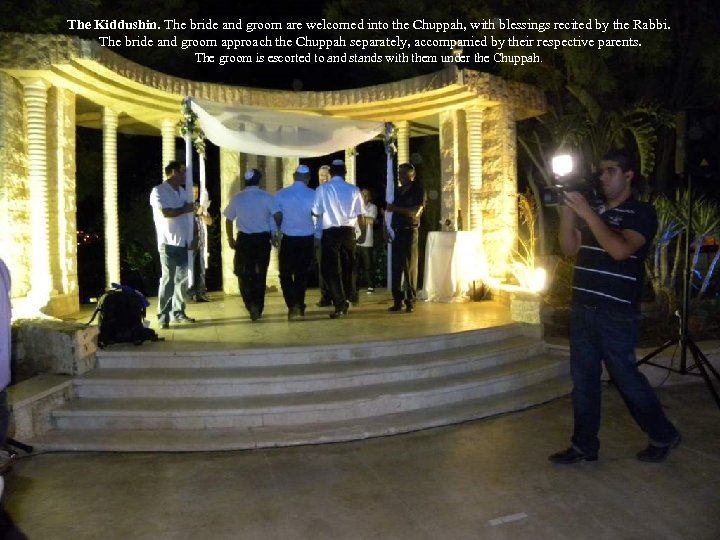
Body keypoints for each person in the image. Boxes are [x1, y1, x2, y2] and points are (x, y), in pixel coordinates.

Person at [549, 149, 681, 465]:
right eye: (601, 172)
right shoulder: (592, 209)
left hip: (616, 313)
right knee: (583, 381)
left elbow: (620, 251)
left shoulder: (641, 213)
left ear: (628, 174)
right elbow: (568, 248)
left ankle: (663, 434)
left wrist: (590, 214)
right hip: (583, 308)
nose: (603, 177)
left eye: (610, 171)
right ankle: (584, 446)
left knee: (626, 379)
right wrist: (570, 207)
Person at [312, 160, 364, 319]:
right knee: (348, 268)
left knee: (331, 271)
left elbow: (316, 211)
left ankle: (340, 305)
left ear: (331, 173)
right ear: (345, 172)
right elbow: (361, 215)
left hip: (330, 233)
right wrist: (362, 234)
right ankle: (347, 297)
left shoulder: (322, 189)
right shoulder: (354, 189)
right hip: (348, 233)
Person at [223, 168, 276, 322]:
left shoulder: (238, 198)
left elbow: (228, 219)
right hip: (262, 240)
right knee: (260, 274)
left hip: (244, 240)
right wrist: (275, 234)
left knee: (243, 274)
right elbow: (276, 215)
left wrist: (230, 238)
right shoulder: (267, 197)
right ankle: (258, 307)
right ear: (259, 180)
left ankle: (251, 305)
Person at [150, 161, 197, 329]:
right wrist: (186, 209)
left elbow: (190, 217)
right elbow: (166, 212)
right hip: (168, 242)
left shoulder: (183, 191)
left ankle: (178, 312)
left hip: (184, 242)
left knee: (181, 281)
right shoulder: (158, 191)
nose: (185, 176)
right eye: (183, 172)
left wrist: (194, 237)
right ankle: (163, 315)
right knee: (168, 279)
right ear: (174, 173)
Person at [273, 165, 316, 320]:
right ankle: (298, 303)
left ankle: (293, 305)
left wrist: (275, 234)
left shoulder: (281, 194)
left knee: (285, 274)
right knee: (301, 274)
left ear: (293, 176)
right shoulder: (313, 194)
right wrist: (317, 236)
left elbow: (276, 217)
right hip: (307, 238)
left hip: (288, 239)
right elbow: (318, 216)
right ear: (308, 177)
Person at [386, 163, 426, 313]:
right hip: (397, 232)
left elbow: (415, 212)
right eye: (399, 174)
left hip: (410, 232)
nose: (400, 177)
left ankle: (410, 301)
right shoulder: (397, 191)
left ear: (412, 176)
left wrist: (395, 209)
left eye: (404, 174)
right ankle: (398, 301)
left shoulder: (418, 190)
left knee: (409, 268)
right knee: (396, 268)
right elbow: (388, 212)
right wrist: (386, 227)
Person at [188, 184, 213, 303]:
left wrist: (202, 214)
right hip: (190, 245)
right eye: (193, 192)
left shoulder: (200, 206)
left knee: (201, 270)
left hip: (201, 244)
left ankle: (201, 293)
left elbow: (209, 222)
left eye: (197, 192)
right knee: (190, 270)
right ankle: (190, 293)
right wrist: (197, 213)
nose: (195, 194)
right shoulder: (185, 206)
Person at [315, 165, 333, 308]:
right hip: (321, 235)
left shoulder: (335, 191)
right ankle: (325, 296)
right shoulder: (317, 192)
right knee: (322, 267)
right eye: (321, 175)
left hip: (335, 233)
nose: (323, 177)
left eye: (326, 175)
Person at [356, 189, 378, 293]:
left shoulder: (372, 207)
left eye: (366, 195)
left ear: (369, 197)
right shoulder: (355, 206)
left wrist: (359, 218)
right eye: (362, 195)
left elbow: (372, 220)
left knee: (368, 264)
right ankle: (354, 287)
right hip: (355, 239)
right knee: (355, 265)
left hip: (367, 240)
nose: (364, 197)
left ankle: (370, 285)